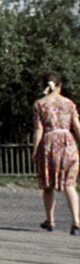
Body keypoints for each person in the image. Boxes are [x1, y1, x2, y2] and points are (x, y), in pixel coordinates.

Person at [32, 71, 80, 234]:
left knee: (48, 184)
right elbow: (77, 126)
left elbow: (39, 129)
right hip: (68, 143)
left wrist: (35, 149)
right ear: (59, 85)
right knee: (70, 184)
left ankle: (50, 221)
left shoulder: (40, 104)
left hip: (50, 143)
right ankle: (76, 222)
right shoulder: (69, 103)